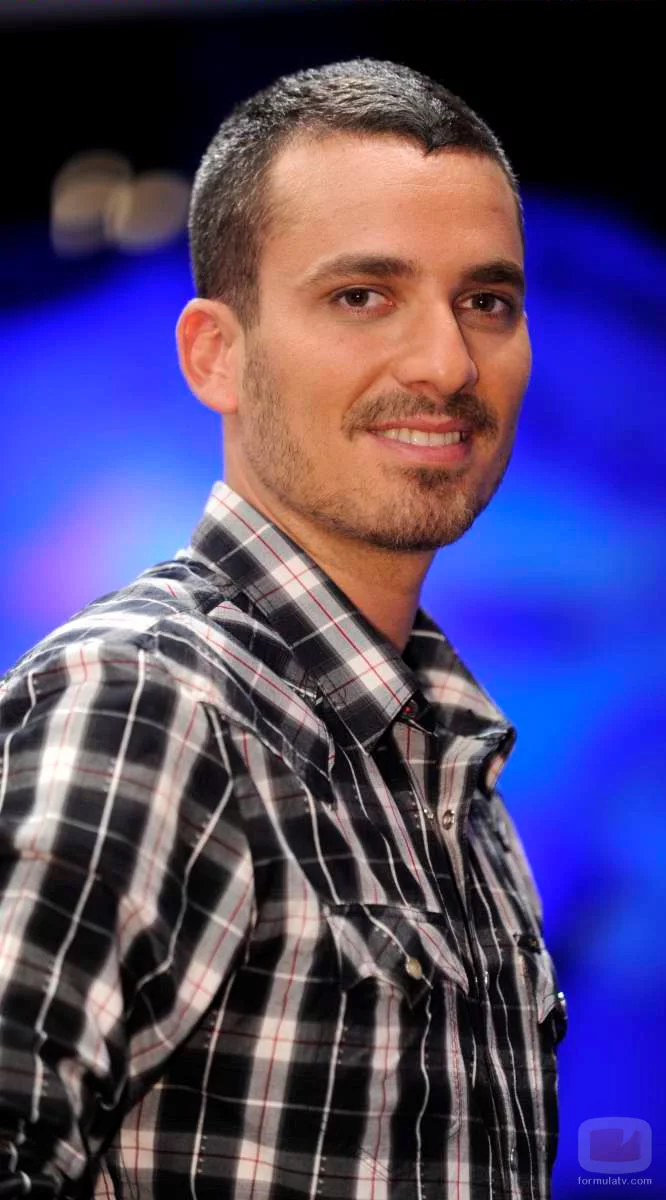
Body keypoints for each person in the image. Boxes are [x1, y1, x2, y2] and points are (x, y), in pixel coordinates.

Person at [0, 57, 568, 1200]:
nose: (447, 363)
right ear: (215, 353)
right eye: (362, 296)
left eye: (487, 302)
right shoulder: (147, 703)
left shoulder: (456, 784)